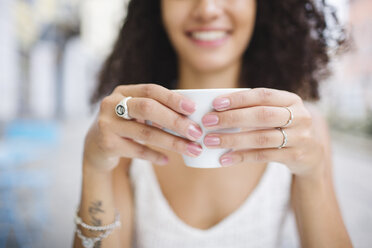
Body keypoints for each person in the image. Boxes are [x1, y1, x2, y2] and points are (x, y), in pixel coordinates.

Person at [73, 0, 353, 247]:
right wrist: (94, 167)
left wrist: (314, 174)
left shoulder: (300, 131)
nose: (207, 9)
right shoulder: (128, 131)